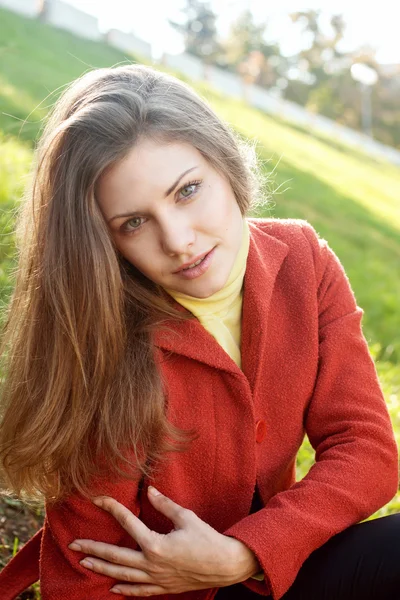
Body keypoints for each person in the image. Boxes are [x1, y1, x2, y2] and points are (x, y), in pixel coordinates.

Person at [0, 64, 398, 600]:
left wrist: (244, 554)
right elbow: (87, 571)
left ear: (225, 164)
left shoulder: (303, 259)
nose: (179, 240)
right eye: (134, 223)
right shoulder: (101, 339)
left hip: (271, 569)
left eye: (187, 190)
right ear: (104, 242)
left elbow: (366, 448)